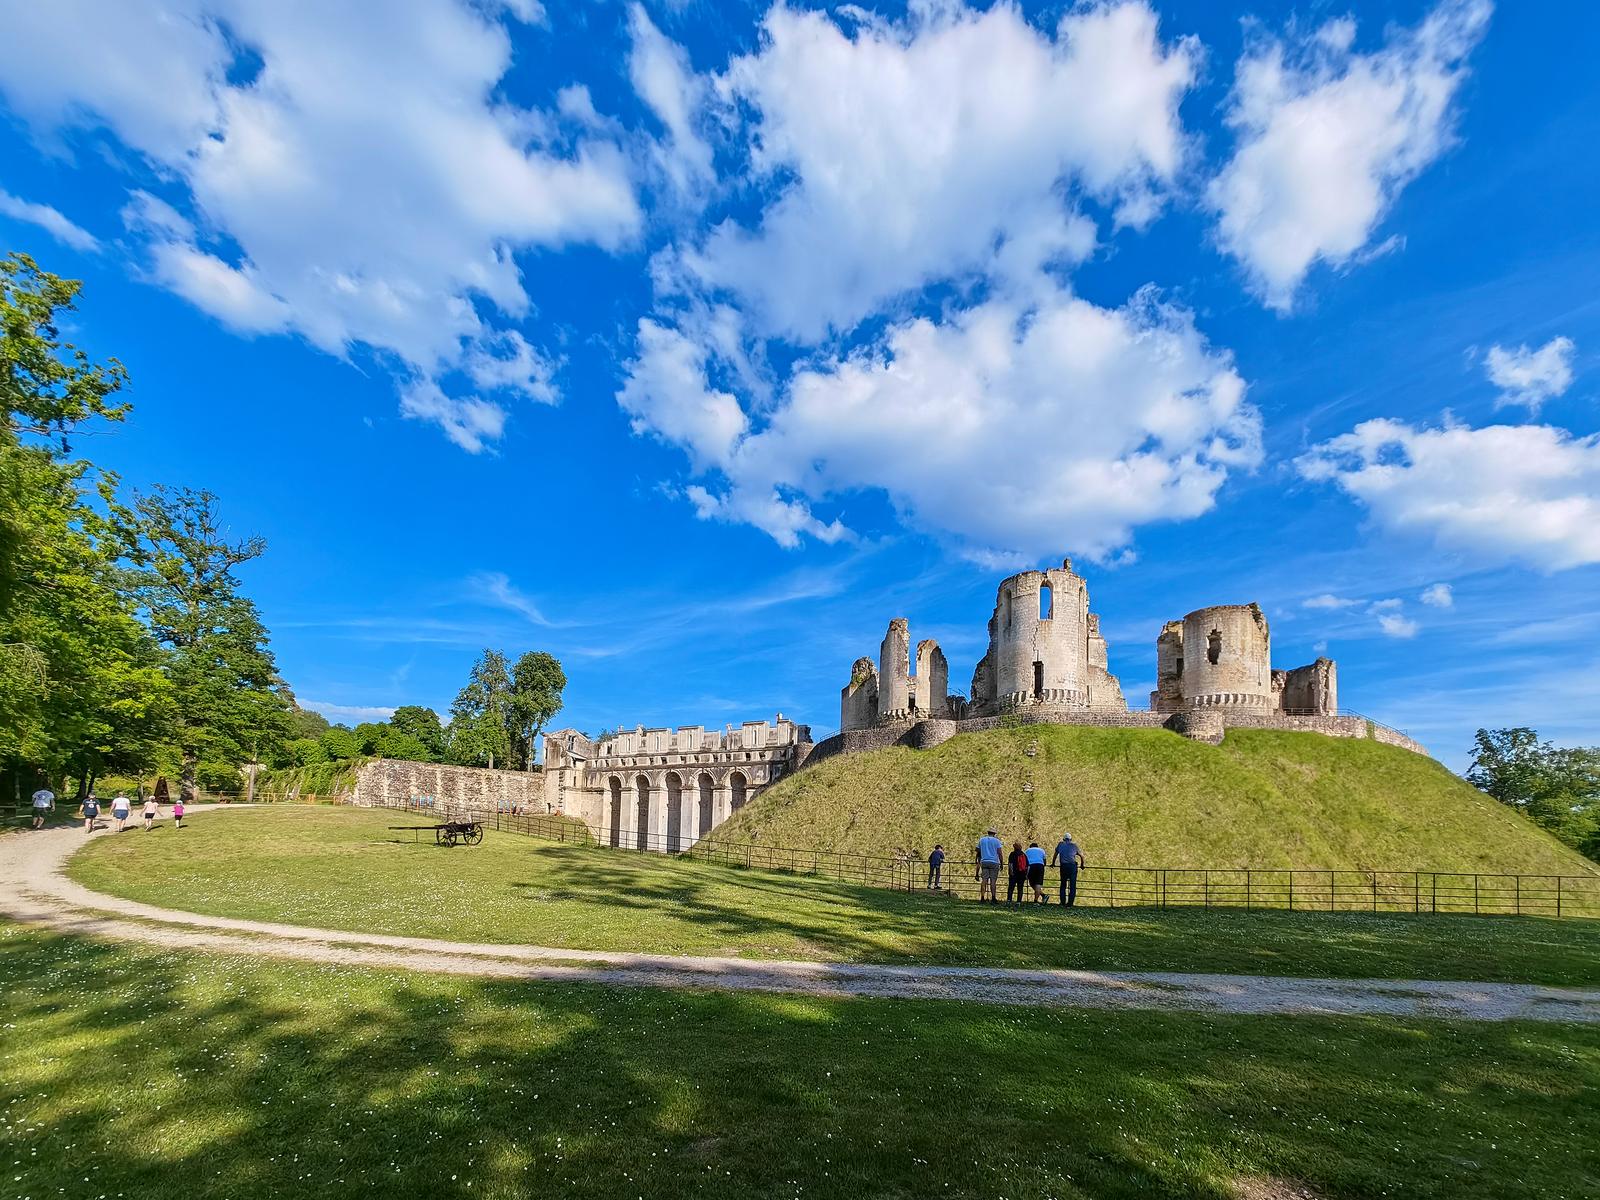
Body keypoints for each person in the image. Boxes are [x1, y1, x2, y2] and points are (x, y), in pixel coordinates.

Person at [1052, 832, 1086, 907]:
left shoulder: (1060, 844)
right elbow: (1082, 856)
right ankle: (1070, 903)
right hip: (1072, 867)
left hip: (1063, 866)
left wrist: (1053, 863)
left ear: (1063, 839)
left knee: (1063, 884)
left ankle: (1062, 902)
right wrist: (1082, 865)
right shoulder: (1074, 846)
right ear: (1071, 839)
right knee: (1072, 885)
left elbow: (1055, 855)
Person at [975, 828, 1003, 903]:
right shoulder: (997, 841)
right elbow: (999, 853)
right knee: (993, 881)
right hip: (994, 862)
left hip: (984, 862)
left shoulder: (982, 840)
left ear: (988, 832)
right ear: (994, 834)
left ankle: (982, 897)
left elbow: (977, 850)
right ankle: (993, 898)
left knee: (984, 880)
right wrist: (1001, 863)